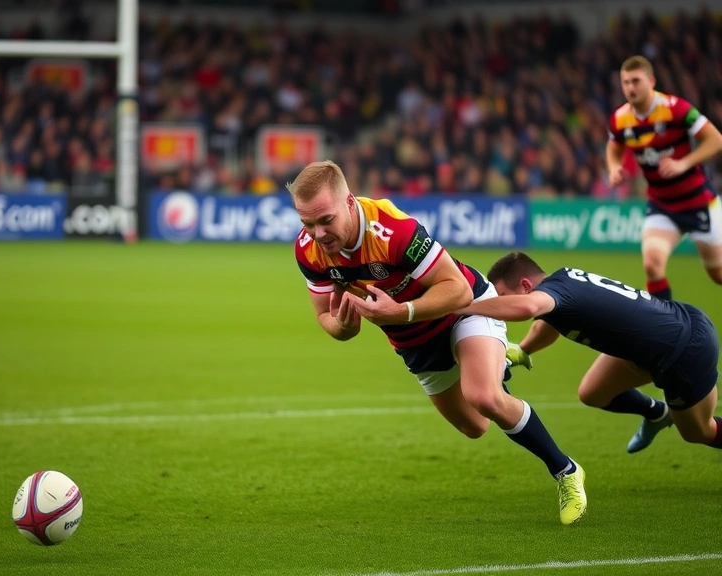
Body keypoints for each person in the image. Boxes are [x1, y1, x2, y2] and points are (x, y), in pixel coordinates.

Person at [289, 160, 587, 525]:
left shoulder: (394, 231)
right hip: (413, 341)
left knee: (484, 396)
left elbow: (458, 290)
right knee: (475, 427)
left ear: (349, 202)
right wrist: (343, 328)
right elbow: (326, 316)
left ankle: (566, 470)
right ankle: (497, 358)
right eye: (308, 223)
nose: (318, 234)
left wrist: (402, 312)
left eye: (326, 220)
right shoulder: (307, 250)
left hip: (464, 310)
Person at [455, 252, 721, 455]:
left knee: (698, 431)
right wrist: (522, 351)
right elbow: (546, 328)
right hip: (667, 334)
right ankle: (657, 414)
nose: (500, 306)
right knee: (593, 392)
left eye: (502, 297)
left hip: (682, 351)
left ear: (525, 285)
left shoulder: (549, 293)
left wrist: (461, 308)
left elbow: (527, 309)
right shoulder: (563, 280)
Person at [606, 55, 722, 300]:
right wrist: (614, 168)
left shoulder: (676, 108)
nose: (630, 88)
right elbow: (614, 147)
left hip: (698, 202)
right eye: (625, 82)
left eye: (636, 81)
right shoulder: (620, 118)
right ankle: (665, 322)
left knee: (718, 274)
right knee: (652, 265)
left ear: (651, 81)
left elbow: (715, 140)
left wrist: (684, 163)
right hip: (662, 204)